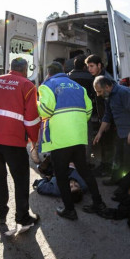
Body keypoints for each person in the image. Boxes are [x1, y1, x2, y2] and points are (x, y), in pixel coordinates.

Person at [38, 62, 106, 220]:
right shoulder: (77, 86)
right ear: (64, 72)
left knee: (61, 176)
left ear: (49, 74)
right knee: (84, 171)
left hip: (61, 138)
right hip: (78, 137)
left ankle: (70, 210)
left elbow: (46, 110)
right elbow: (89, 111)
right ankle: (99, 203)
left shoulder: (47, 85)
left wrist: (36, 105)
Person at [0, 57, 40, 227]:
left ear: (10, 68)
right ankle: (22, 216)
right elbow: (31, 120)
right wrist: (34, 140)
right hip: (13, 140)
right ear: (25, 70)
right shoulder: (27, 86)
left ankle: (0, 212)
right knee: (20, 178)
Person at [93, 75, 130, 198]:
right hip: (121, 132)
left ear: (107, 86)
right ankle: (115, 179)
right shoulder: (108, 96)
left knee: (128, 161)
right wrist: (99, 133)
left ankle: (124, 187)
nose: (98, 94)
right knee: (118, 158)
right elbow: (107, 115)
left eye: (99, 91)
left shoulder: (124, 92)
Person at [85, 54, 115, 177]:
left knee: (108, 143)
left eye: (91, 66)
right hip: (103, 116)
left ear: (99, 65)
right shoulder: (98, 77)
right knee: (104, 142)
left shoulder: (105, 79)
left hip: (108, 118)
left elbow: (109, 104)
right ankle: (105, 165)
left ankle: (108, 168)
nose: (89, 69)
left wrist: (106, 122)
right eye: (88, 67)